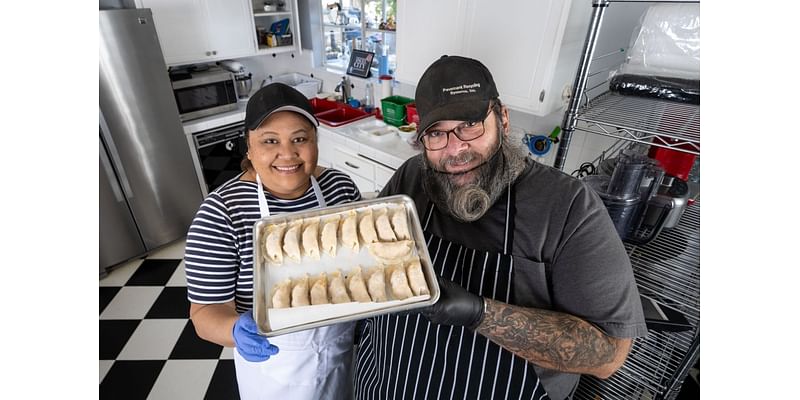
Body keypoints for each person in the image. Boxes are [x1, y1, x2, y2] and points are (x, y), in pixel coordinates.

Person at [352, 55, 647, 400]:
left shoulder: (567, 207)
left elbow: (608, 355)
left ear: (502, 119)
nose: (456, 149)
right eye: (437, 134)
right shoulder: (412, 177)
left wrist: (481, 313)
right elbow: (360, 254)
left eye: (470, 125)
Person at [184, 83, 361, 400]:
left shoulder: (340, 188)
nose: (288, 153)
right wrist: (234, 331)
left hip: (341, 357)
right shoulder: (221, 214)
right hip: (276, 369)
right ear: (249, 149)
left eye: (300, 139)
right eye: (270, 141)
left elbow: (362, 260)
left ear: (315, 142)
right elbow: (204, 314)